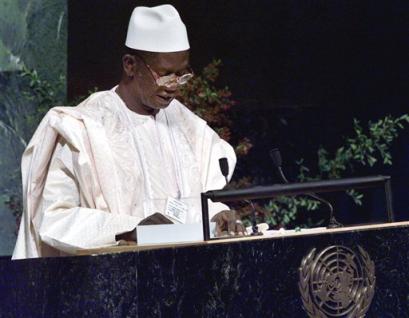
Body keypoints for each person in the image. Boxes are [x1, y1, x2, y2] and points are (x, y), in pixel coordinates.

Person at [12, 4, 244, 259]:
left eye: (182, 74)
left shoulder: (187, 126)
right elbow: (54, 217)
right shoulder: (83, 127)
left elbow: (189, 204)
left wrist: (216, 216)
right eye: (165, 75)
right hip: (111, 283)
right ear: (130, 65)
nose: (175, 86)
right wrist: (129, 229)